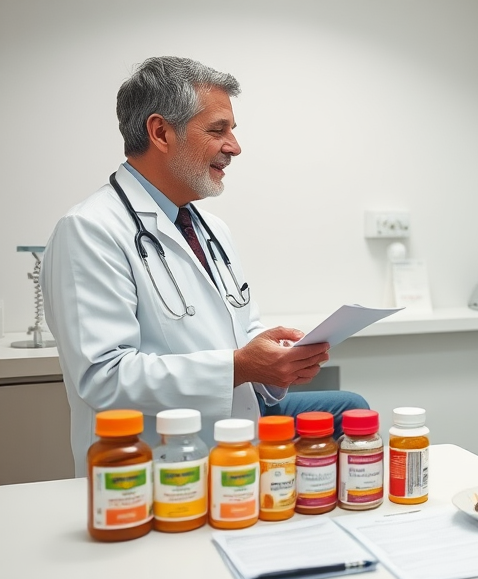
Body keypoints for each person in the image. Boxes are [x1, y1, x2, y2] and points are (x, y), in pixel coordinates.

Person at [41, 56, 368, 477]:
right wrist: (240, 365)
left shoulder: (211, 229)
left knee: (347, 410)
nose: (234, 146)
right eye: (218, 130)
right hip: (150, 466)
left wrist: (276, 359)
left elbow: (239, 331)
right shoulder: (89, 230)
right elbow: (104, 378)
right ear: (160, 132)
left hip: (230, 445)